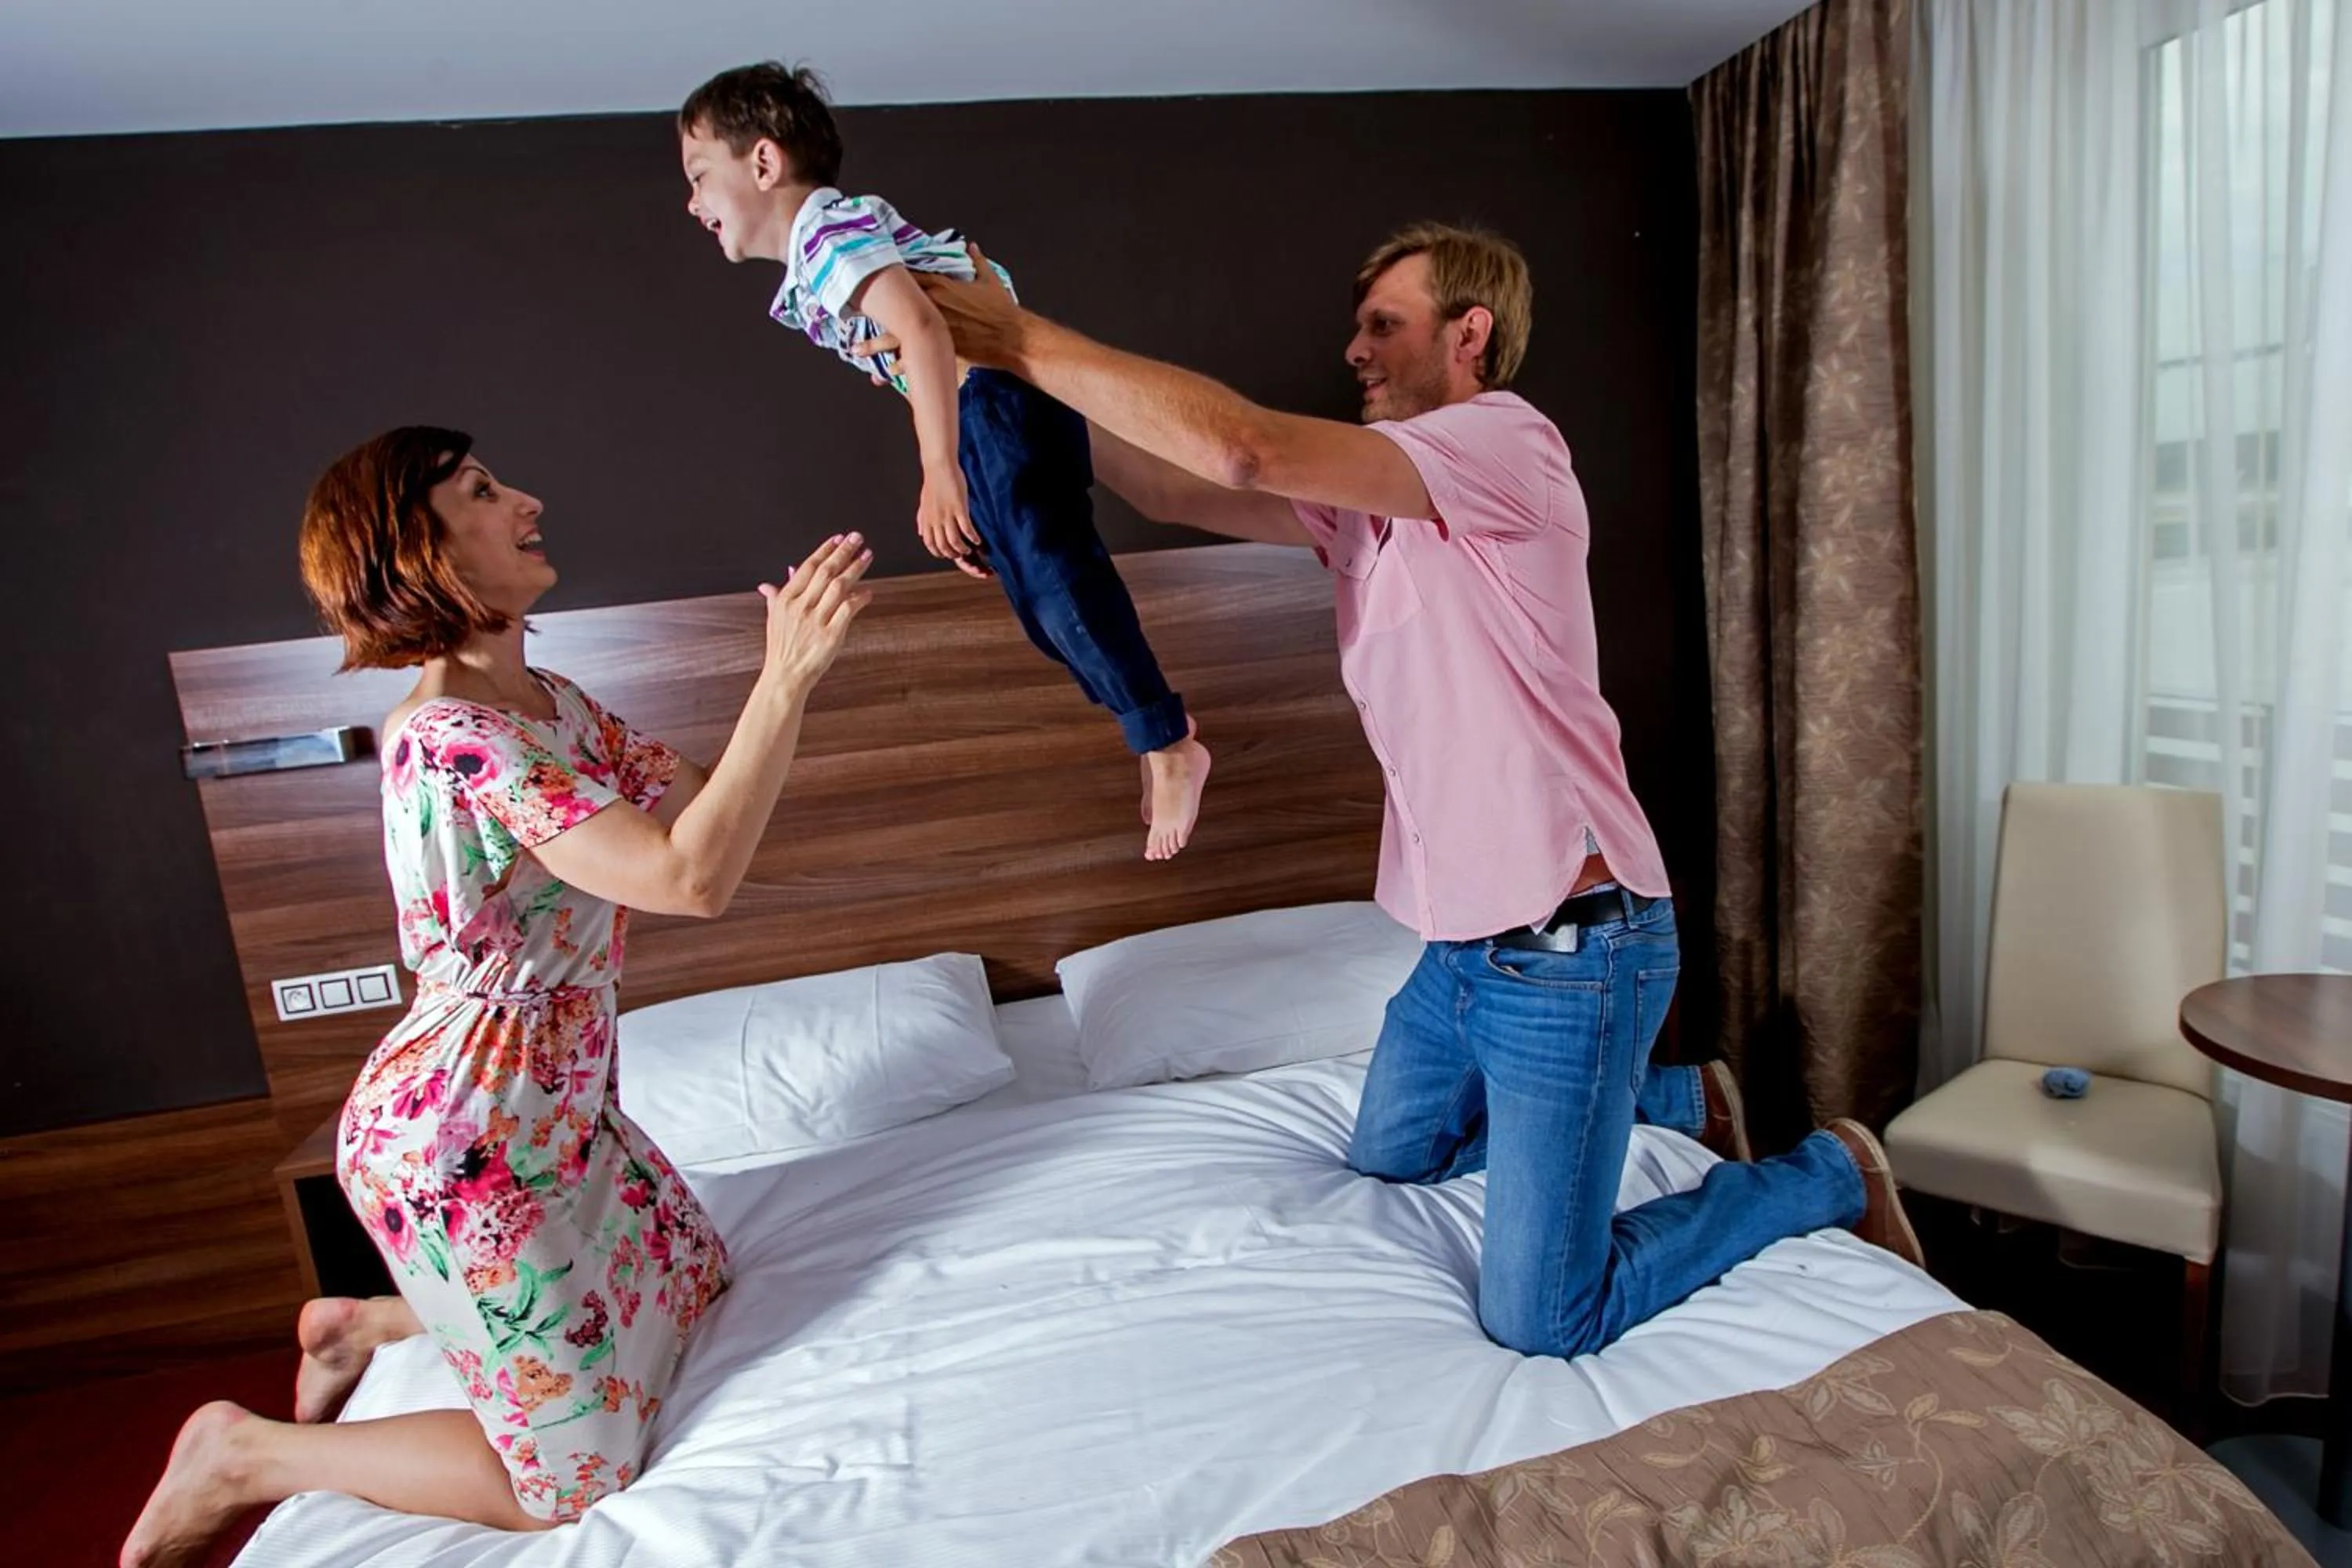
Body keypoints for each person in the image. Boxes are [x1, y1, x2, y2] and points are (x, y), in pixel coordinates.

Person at [897, 223, 1924, 1361]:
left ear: (1469, 333)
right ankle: (1683, 1106)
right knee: (1394, 1156)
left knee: (1545, 1319)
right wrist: (993, 367)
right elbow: (1168, 485)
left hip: (1574, 946)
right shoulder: (1369, 508)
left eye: (1385, 324)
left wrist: (1021, 332)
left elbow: (1240, 449)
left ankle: (1822, 1172)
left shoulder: (1506, 442)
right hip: (1461, 948)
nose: (1356, 349)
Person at [122, 427, 873, 1566]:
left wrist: (789, 701)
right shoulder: (456, 740)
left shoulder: (556, 706)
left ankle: (364, 1324)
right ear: (418, 549)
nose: (527, 499)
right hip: (462, 1145)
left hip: (566, 1114)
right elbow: (688, 879)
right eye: (481, 490)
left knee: (696, 1283)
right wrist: (783, 676)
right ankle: (246, 1452)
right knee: (570, 1487)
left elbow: (707, 812)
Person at [677, 60, 1211, 861]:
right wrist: (961, 479)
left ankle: (1166, 740)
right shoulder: (819, 261)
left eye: (698, 175)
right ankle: (1155, 734)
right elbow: (903, 362)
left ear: (762, 162)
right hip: (980, 411)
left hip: (997, 393)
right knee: (1041, 605)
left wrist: (943, 472)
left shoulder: (823, 235)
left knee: (1060, 586)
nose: (691, 202)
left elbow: (925, 331)